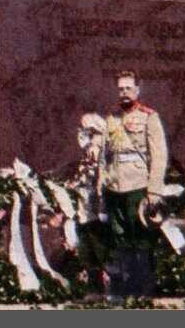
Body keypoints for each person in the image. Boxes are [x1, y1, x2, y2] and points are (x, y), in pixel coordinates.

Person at [99, 70, 167, 299]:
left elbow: (159, 155)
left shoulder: (149, 117)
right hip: (114, 184)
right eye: (121, 89)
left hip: (137, 184)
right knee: (120, 236)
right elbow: (104, 155)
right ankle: (128, 286)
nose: (124, 92)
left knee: (140, 236)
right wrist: (102, 183)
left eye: (128, 88)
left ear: (138, 90)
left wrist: (154, 188)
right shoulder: (112, 119)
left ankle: (145, 288)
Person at [73, 113, 111, 297]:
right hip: (84, 209)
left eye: (88, 131)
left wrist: (101, 206)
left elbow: (100, 182)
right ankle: (94, 288)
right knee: (87, 246)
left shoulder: (99, 153)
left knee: (98, 245)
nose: (82, 134)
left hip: (95, 210)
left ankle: (105, 286)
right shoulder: (87, 153)